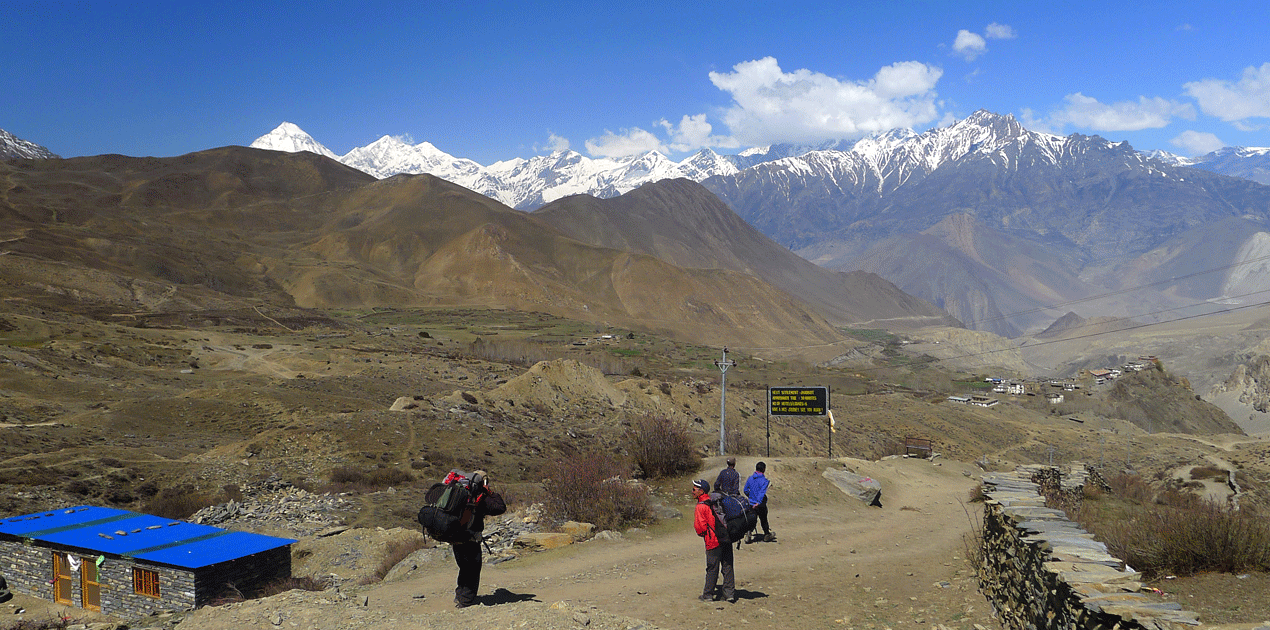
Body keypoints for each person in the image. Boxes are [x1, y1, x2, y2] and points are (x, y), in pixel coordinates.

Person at [452, 470, 506, 608]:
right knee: (473, 569)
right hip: (471, 539)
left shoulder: (458, 495)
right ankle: (466, 601)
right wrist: (490, 493)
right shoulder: (479, 499)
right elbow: (500, 508)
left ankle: (460, 595)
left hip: (455, 537)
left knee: (464, 567)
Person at [692, 479, 735, 603]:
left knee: (712, 568)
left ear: (701, 491)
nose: (692, 491)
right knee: (727, 566)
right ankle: (730, 594)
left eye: (694, 489)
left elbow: (700, 529)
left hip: (713, 542)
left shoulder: (701, 507)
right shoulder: (716, 502)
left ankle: (708, 595)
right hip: (726, 538)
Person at [744, 461, 774, 542]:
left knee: (752, 519)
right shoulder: (764, 481)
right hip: (760, 504)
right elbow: (761, 493)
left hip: (751, 503)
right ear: (764, 469)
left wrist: (750, 497)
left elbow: (745, 490)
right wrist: (758, 502)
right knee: (763, 518)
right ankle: (767, 534)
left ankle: (748, 533)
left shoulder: (750, 478)